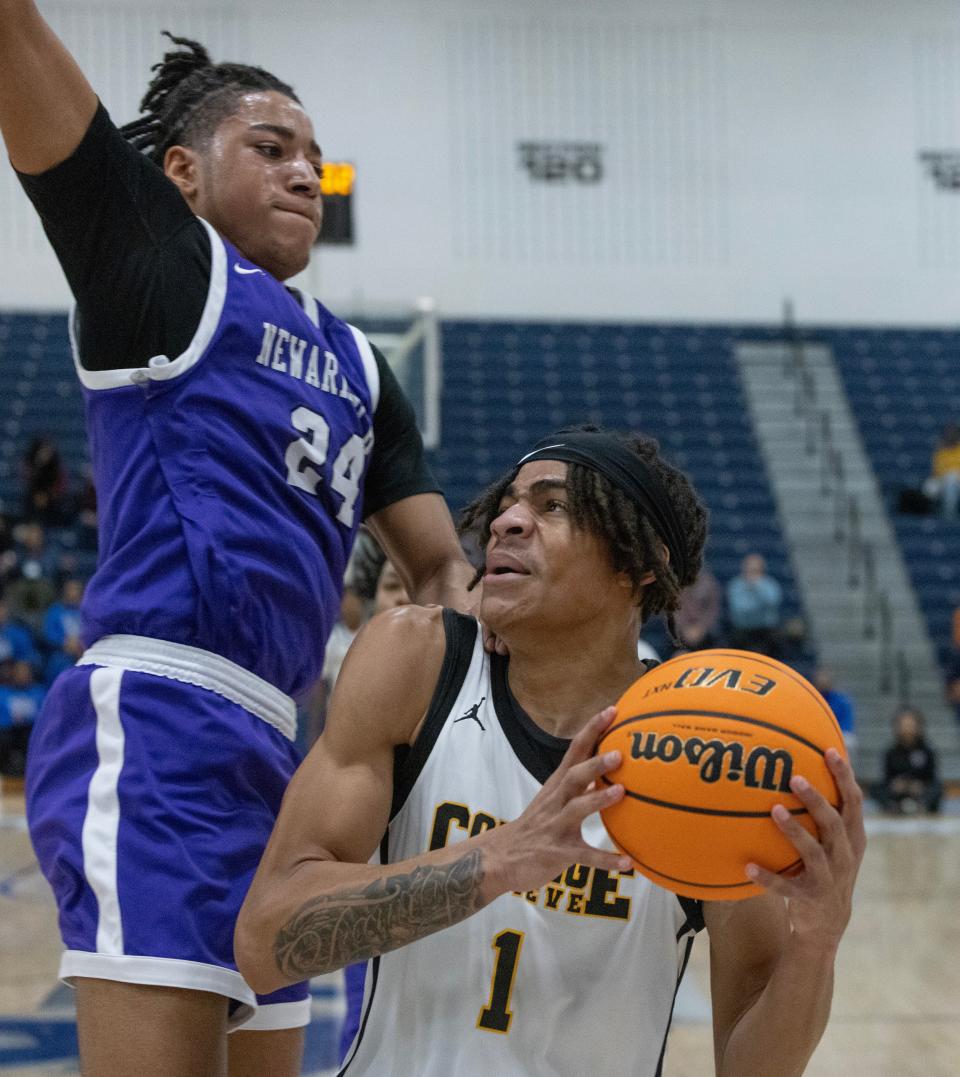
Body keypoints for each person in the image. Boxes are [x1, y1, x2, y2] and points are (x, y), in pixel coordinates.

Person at [0, 10, 476, 1076]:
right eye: (271, 149)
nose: (307, 173)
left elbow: (444, 565)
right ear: (181, 173)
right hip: (159, 721)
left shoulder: (360, 363)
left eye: (315, 158)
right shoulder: (156, 266)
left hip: (288, 754)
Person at [236, 426, 866, 1076]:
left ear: (640, 560)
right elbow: (263, 940)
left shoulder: (708, 748)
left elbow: (750, 1065)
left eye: (552, 505)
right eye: (507, 502)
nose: (507, 521)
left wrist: (817, 942)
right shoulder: (417, 661)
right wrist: (495, 858)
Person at [875, 707, 942, 815]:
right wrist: (896, 785)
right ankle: (892, 807)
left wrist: (920, 786)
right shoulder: (891, 752)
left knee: (937, 789)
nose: (907, 729)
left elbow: (932, 778)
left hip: (920, 792)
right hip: (898, 793)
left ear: (918, 727)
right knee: (876, 788)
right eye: (904, 725)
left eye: (911, 725)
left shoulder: (927, 750)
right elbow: (886, 778)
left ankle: (923, 807)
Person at [725, 552, 783, 657]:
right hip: (743, 631)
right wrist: (760, 608)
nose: (751, 572)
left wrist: (757, 586)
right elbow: (739, 608)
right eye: (749, 568)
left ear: (762, 569)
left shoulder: (770, 584)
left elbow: (772, 602)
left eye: (755, 569)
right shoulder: (735, 585)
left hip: (766, 631)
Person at [814, 667, 857, 756]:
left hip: (841, 733)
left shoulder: (842, 700)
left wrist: (835, 736)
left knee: (848, 741)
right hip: (821, 734)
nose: (823, 681)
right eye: (821, 678)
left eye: (825, 678)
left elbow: (847, 724)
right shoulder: (814, 699)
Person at [923, 422, 960, 517]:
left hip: (957, 480)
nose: (951, 436)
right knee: (928, 488)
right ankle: (929, 514)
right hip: (942, 479)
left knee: (951, 481)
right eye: (949, 434)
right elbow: (937, 470)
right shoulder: (940, 450)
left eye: (953, 433)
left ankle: (948, 514)